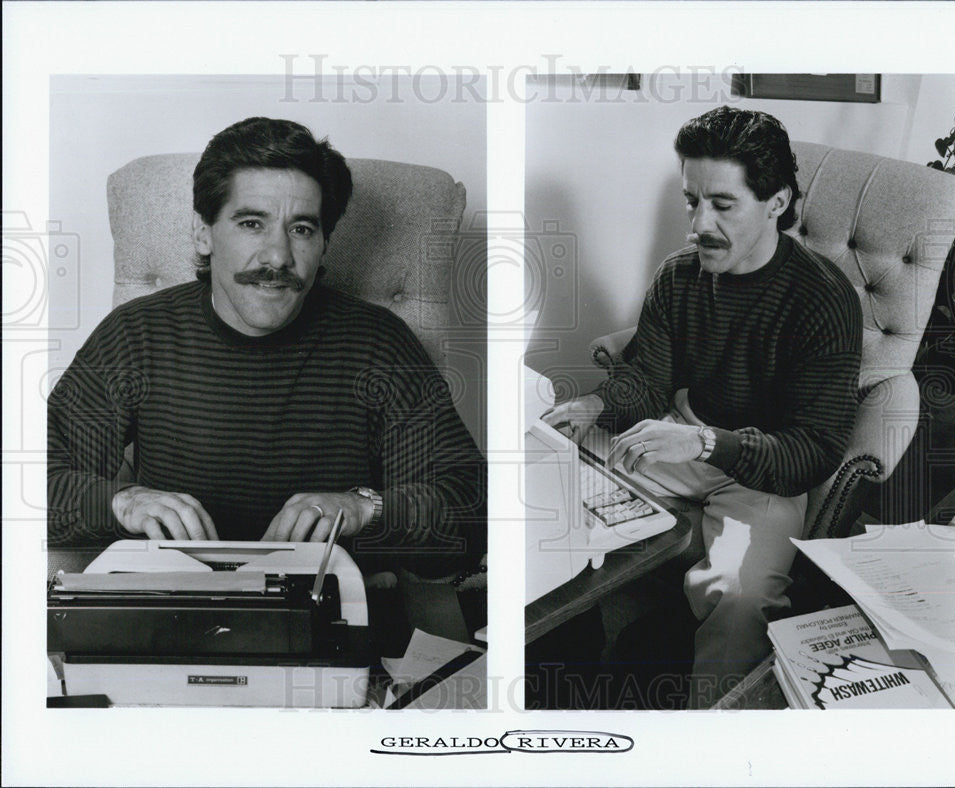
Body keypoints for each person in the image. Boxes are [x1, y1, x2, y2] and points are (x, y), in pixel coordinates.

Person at [48, 117, 486, 582]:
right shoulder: (137, 334)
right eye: (252, 223)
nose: (278, 256)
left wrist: (365, 508)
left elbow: (472, 513)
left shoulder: (379, 343)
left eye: (301, 229)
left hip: (328, 605)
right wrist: (122, 502)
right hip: (176, 601)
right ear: (203, 233)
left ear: (323, 244)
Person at [543, 106, 863, 708]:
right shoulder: (678, 276)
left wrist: (709, 443)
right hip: (678, 439)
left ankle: (710, 737)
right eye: (691, 201)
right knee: (554, 476)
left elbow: (814, 450)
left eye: (721, 204)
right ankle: (566, 676)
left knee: (737, 594)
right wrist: (591, 405)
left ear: (776, 202)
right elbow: (646, 379)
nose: (697, 224)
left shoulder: (823, 300)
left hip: (763, 470)